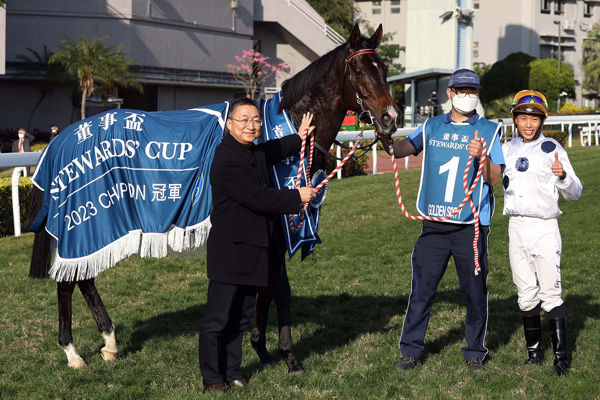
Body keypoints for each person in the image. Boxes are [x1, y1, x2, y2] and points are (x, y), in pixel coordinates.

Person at [384, 69, 505, 371]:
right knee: (422, 290)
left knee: (475, 293)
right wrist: (385, 136)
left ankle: (475, 350)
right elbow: (404, 149)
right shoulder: (432, 125)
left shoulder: (488, 130)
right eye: (462, 90)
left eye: (473, 90)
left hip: (471, 226)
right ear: (450, 93)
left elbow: (495, 178)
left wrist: (483, 159)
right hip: (434, 225)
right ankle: (410, 350)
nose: (468, 95)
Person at [198, 98, 317, 393]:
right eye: (244, 120)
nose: (251, 126)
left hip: (254, 252)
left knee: (240, 318)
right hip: (231, 252)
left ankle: (233, 370)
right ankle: (213, 378)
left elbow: (272, 150)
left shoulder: (251, 152)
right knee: (218, 319)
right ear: (229, 125)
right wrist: (295, 197)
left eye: (255, 120)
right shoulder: (226, 159)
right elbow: (257, 198)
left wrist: (299, 137)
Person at [502, 90, 582, 376]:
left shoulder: (553, 148)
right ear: (515, 119)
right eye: (523, 117)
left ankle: (560, 357)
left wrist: (562, 176)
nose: (528, 124)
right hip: (516, 228)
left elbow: (576, 192)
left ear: (542, 121)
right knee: (525, 293)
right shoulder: (506, 149)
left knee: (550, 293)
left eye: (534, 118)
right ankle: (533, 353)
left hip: (545, 228)